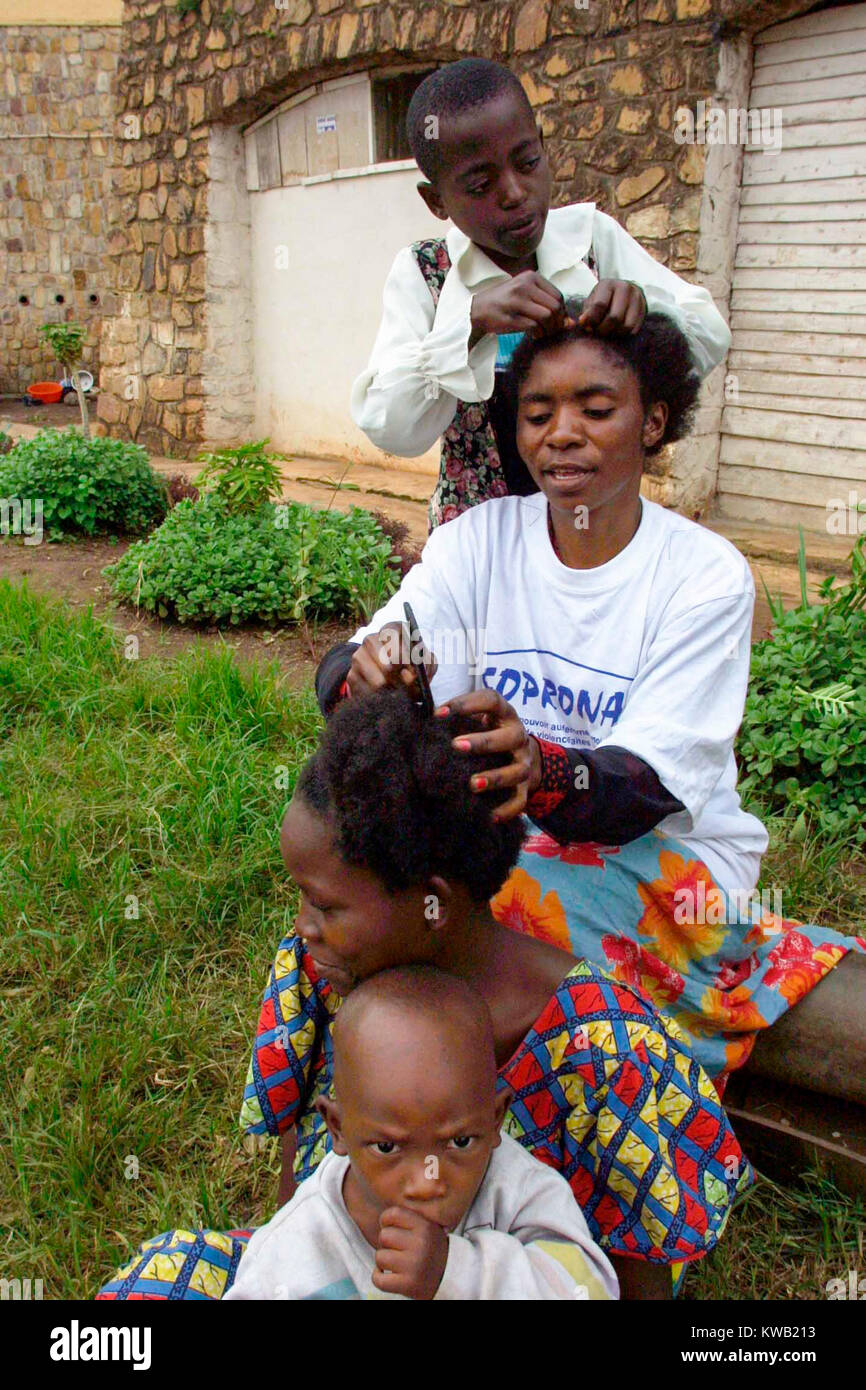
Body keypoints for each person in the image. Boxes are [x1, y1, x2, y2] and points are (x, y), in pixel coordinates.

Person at [321, 304, 865, 1084]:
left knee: (480, 912)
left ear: (654, 423)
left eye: (596, 409)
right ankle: (385, 1104)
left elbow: (638, 793)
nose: (561, 433)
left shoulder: (702, 576)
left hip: (665, 854)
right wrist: (368, 673)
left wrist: (541, 770)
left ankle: (492, 1096)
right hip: (503, 839)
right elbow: (366, 656)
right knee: (364, 892)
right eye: (537, 412)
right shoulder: (479, 541)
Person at [98, 692, 751, 1302]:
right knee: (162, 1275)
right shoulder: (323, 970)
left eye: (325, 904)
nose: (302, 924)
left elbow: (637, 1272)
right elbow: (305, 1176)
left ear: (433, 903)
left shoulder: (608, 1050)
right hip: (350, 1274)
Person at [350, 57, 731, 528]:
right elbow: (392, 427)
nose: (514, 192)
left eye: (528, 162)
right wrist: (468, 325)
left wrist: (645, 311)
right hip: (480, 540)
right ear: (437, 201)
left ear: (544, 150)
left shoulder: (590, 240)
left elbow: (709, 336)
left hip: (590, 530)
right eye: (480, 184)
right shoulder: (427, 274)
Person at [225, 965, 619, 1301]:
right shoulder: (296, 1249)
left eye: (460, 1142)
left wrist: (456, 1272)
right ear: (338, 1129)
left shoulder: (518, 1193)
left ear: (494, 1118)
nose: (427, 1180)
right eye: (387, 1147)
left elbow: (591, 1292)